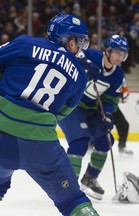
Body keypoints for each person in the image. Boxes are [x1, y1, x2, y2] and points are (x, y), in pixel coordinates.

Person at [0, 13, 99, 216]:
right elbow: (63, 112)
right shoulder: (80, 76)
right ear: (68, 40)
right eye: (79, 41)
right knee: (73, 201)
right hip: (41, 145)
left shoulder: (26, 43)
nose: (81, 48)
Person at [58, 34, 129, 200]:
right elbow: (68, 57)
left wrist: (108, 116)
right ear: (107, 50)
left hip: (90, 109)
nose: (120, 57)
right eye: (117, 53)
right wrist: (83, 66)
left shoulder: (118, 75)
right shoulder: (90, 55)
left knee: (106, 140)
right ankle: (69, 185)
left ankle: (90, 178)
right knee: (80, 142)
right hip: (70, 106)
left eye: (123, 54)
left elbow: (110, 99)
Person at [114, 78, 133, 156]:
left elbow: (125, 92)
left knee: (124, 125)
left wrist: (124, 95)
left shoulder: (120, 77)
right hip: (100, 107)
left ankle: (122, 146)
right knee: (99, 125)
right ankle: (91, 145)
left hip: (113, 107)